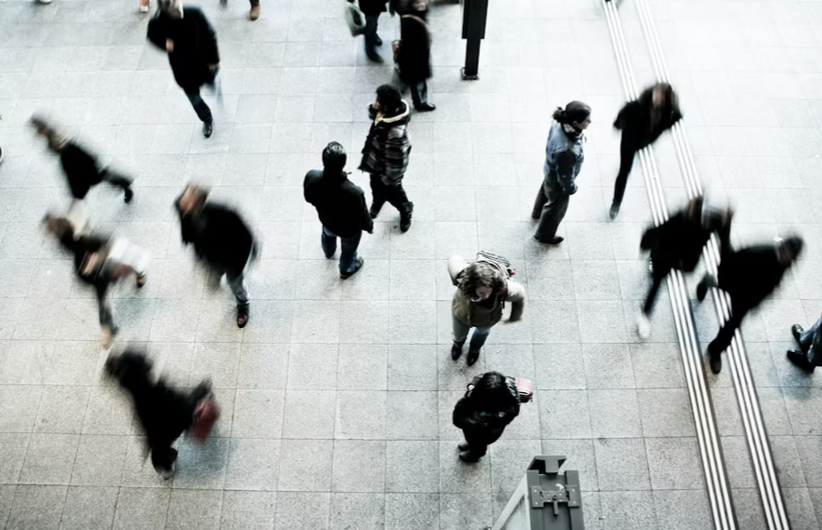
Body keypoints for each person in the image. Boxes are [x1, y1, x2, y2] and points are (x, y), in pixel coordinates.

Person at [697, 236, 804, 374]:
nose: (786, 257)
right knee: (722, 290)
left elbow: (771, 285)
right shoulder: (761, 252)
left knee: (732, 325)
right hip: (735, 283)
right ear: (783, 247)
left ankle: (715, 350)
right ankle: (709, 281)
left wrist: (756, 302)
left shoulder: (784, 266)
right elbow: (734, 258)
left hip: (746, 299)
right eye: (786, 252)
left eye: (790, 256)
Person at [105, 350, 219, 479]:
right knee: (195, 400)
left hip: (158, 432)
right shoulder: (157, 390)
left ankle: (164, 468)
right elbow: (182, 404)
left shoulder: (137, 396)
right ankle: (205, 392)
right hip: (176, 417)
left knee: (160, 449)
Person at [44, 214, 149, 347]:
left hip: (101, 270)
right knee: (103, 299)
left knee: (104, 299)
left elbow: (106, 246)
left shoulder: (85, 243)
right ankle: (139, 275)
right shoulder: (76, 243)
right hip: (99, 274)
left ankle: (108, 329)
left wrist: (95, 260)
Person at [636, 196, 732, 339]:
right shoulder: (683, 217)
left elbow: (724, 244)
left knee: (677, 272)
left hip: (687, 259)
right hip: (667, 252)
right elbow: (660, 231)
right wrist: (645, 245)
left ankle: (704, 282)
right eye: (706, 218)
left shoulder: (718, 221)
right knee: (656, 280)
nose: (707, 223)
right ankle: (645, 315)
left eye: (710, 220)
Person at [175, 185, 256, 328]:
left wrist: (249, 254)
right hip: (210, 257)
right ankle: (217, 280)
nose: (182, 202)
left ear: (199, 202)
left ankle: (243, 304)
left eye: (188, 200)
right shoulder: (181, 208)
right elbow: (187, 229)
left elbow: (245, 234)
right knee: (213, 276)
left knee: (234, 282)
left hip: (231, 257)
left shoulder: (222, 212)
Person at [147, 0, 220, 138]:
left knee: (210, 78)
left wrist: (213, 61)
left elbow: (210, 35)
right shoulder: (159, 24)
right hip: (184, 71)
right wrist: (166, 44)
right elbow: (152, 35)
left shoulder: (194, 14)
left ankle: (212, 83)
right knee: (194, 97)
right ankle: (206, 118)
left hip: (203, 64)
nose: (175, 5)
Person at [610, 83, 682, 219]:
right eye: (658, 95)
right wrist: (618, 125)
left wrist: (660, 130)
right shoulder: (635, 107)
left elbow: (676, 117)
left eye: (662, 98)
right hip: (629, 142)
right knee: (624, 171)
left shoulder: (669, 112)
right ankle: (616, 203)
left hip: (645, 141)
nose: (658, 99)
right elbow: (621, 117)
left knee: (626, 168)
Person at [304, 142, 374, 279]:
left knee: (327, 235)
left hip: (326, 220)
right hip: (348, 230)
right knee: (348, 250)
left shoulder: (312, 177)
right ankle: (346, 269)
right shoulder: (354, 192)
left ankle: (328, 252)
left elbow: (308, 198)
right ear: (344, 163)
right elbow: (362, 215)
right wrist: (369, 226)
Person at [31, 116, 134, 203]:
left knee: (90, 181)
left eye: (37, 129)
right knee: (93, 179)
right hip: (73, 159)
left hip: (73, 160)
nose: (37, 133)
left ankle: (123, 184)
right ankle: (123, 184)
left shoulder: (54, 135)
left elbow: (62, 147)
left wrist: (52, 147)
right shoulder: (51, 134)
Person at [448, 253, 525, 366]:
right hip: (461, 312)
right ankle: (457, 345)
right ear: (472, 286)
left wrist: (515, 316)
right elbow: (454, 259)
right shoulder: (461, 277)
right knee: (458, 333)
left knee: (482, 334)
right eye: (481, 292)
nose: (486, 296)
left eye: (489, 291)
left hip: (488, 318)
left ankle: (474, 350)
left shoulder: (504, 287)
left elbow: (520, 294)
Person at [532, 101, 591, 245]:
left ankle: (537, 213)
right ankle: (544, 235)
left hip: (550, 169)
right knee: (556, 207)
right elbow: (565, 177)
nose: (590, 122)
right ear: (576, 123)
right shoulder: (566, 150)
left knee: (545, 190)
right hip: (559, 181)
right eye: (587, 120)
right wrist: (571, 188)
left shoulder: (559, 122)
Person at [359, 84, 414, 232]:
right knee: (375, 187)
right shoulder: (385, 113)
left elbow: (398, 162)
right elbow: (376, 117)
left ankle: (405, 210)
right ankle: (378, 201)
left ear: (387, 106)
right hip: (376, 164)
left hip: (388, 174)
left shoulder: (396, 133)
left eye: (378, 101)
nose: (375, 103)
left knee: (395, 194)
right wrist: (375, 108)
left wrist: (389, 179)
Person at [452, 371, 520, 462]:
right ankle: (471, 443)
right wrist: (471, 386)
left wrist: (469, 421)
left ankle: (474, 455)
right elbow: (478, 378)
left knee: (479, 444)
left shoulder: (502, 411)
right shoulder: (505, 389)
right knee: (472, 439)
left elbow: (460, 420)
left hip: (486, 432)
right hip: (477, 427)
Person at [398, 0, 436, 112]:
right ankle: (420, 103)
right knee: (417, 81)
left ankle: (417, 99)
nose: (421, 4)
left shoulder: (413, 16)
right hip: (415, 58)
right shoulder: (411, 21)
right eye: (417, 2)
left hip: (416, 57)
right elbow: (411, 44)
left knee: (415, 80)